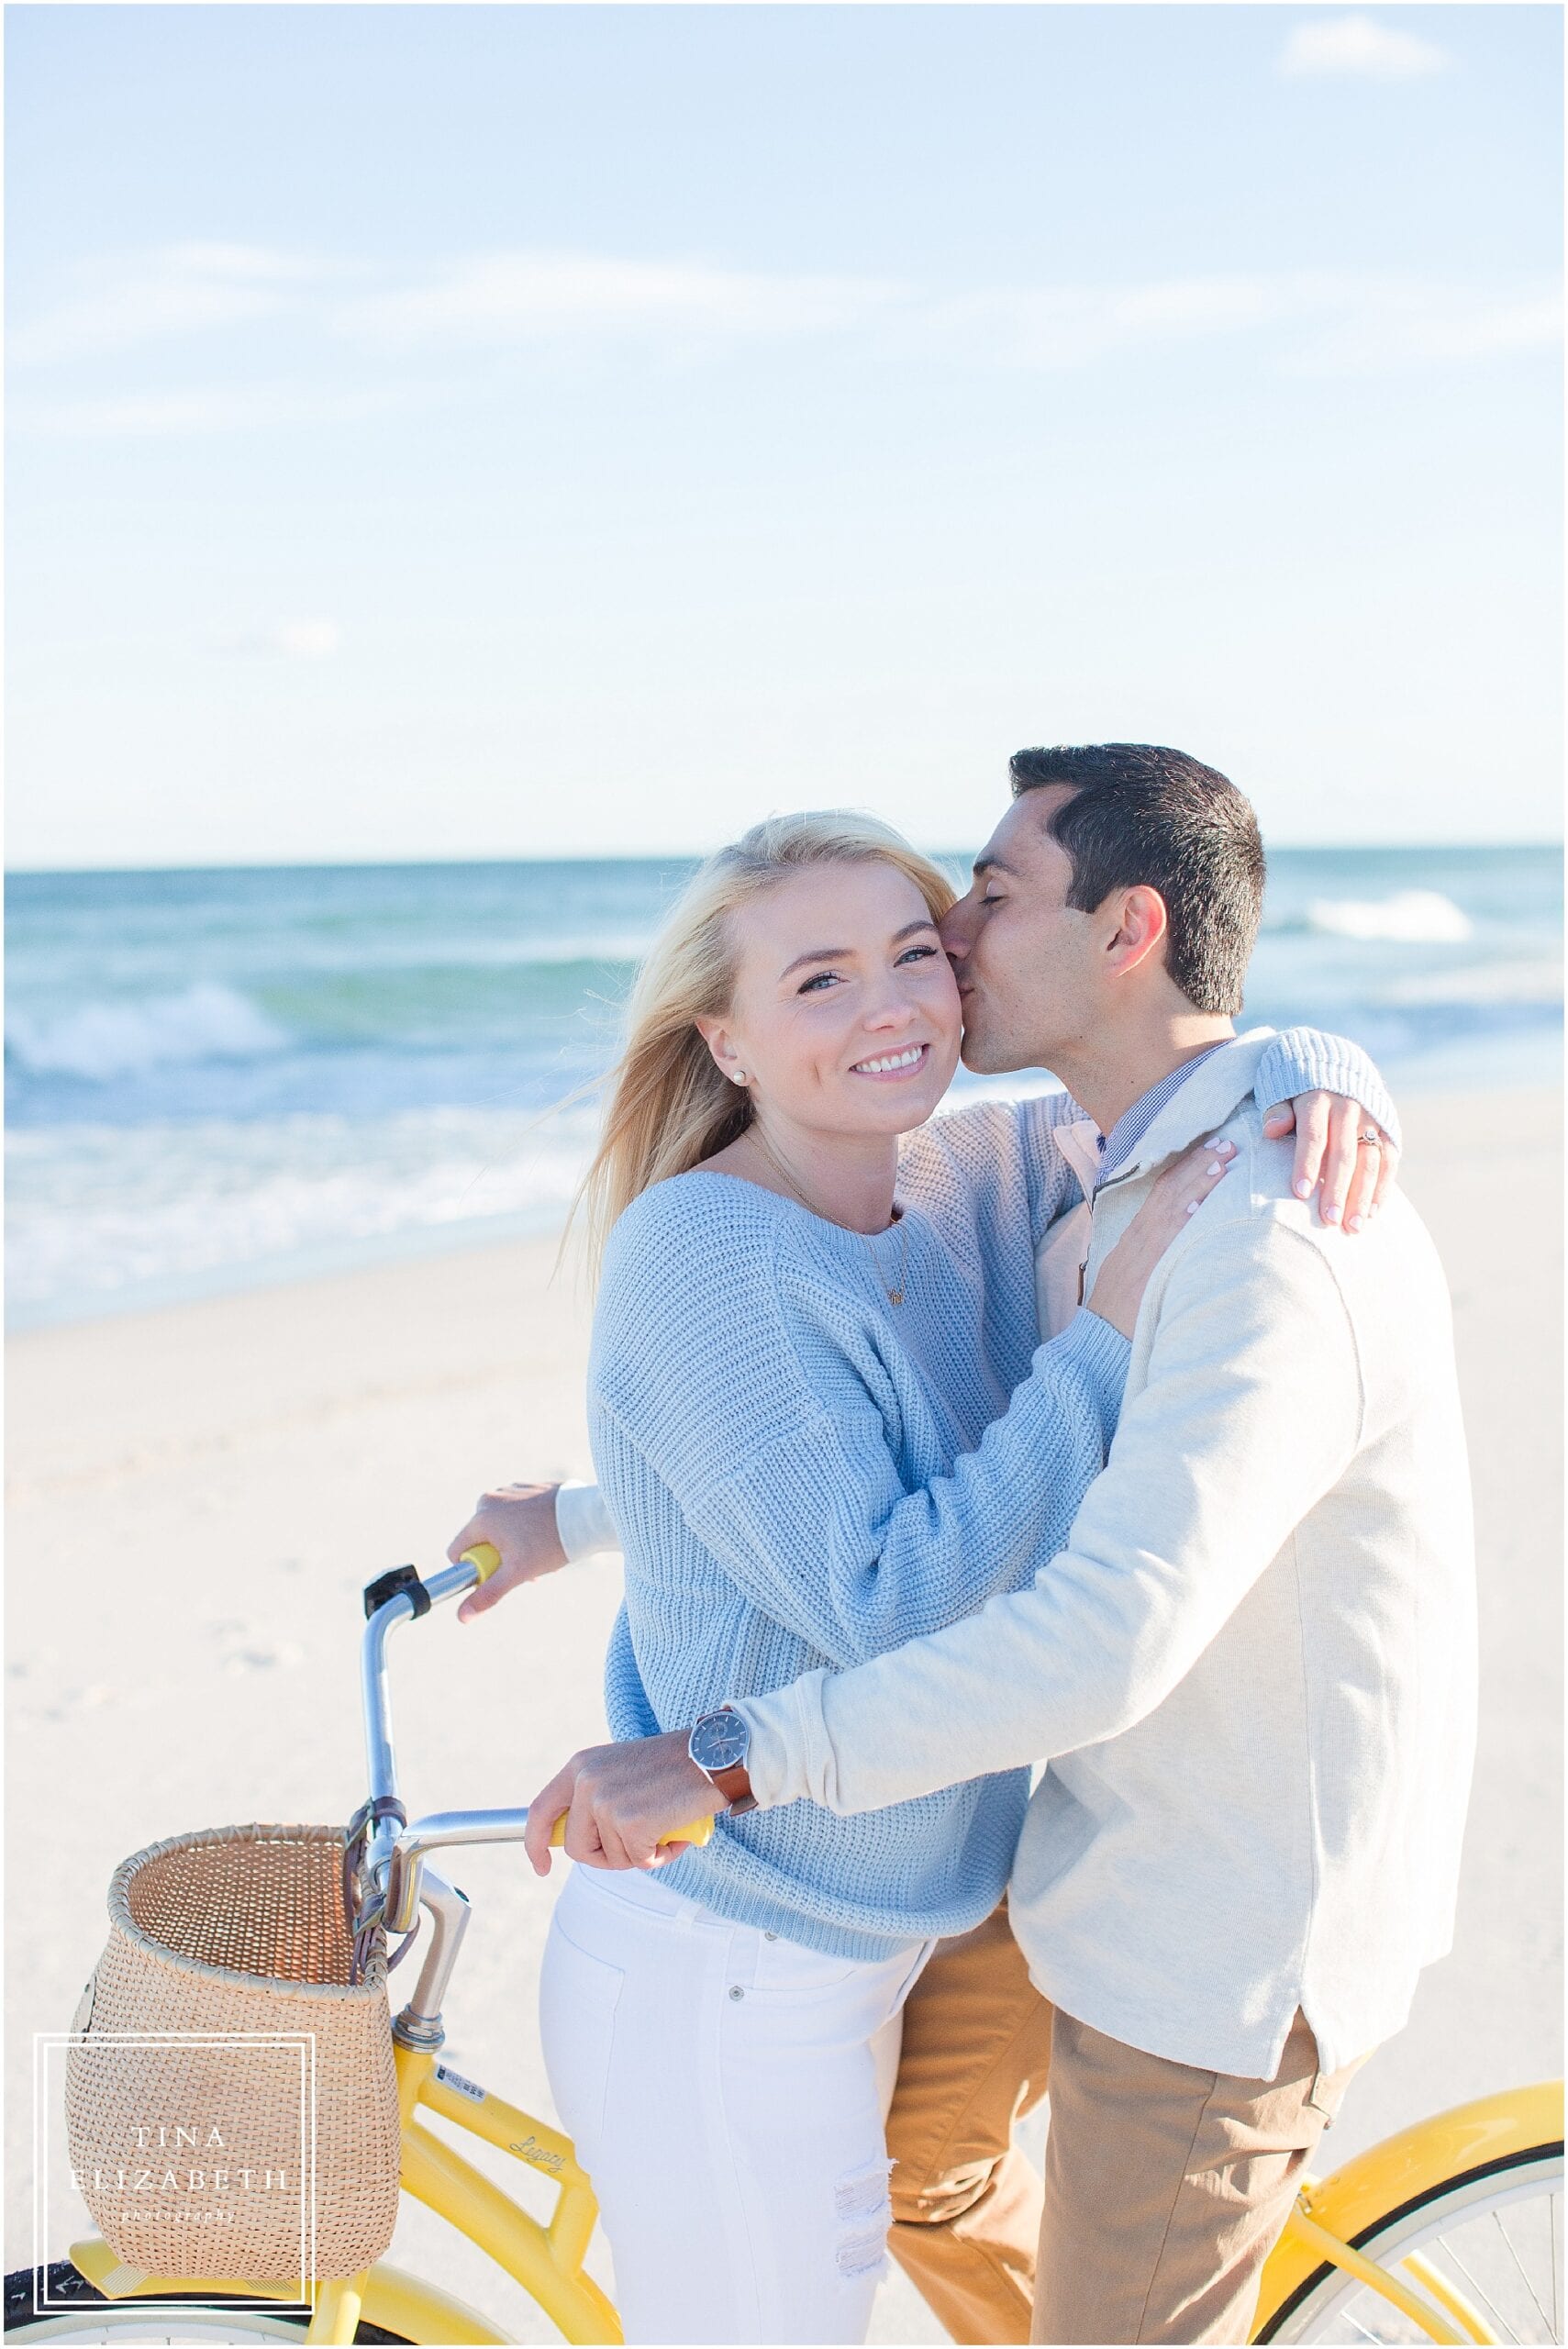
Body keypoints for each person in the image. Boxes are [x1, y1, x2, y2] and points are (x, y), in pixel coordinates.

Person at [521, 744, 1473, 2349]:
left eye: (976, 901)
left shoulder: (1246, 1224)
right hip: (1045, 1853)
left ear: (1123, 932)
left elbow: (1099, 1626)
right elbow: (881, 1430)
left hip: (1212, 1918)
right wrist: (579, 1514)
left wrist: (729, 1756)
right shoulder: (1082, 1172)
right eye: (831, 971)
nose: (946, 946)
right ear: (727, 1035)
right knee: (925, 2170)